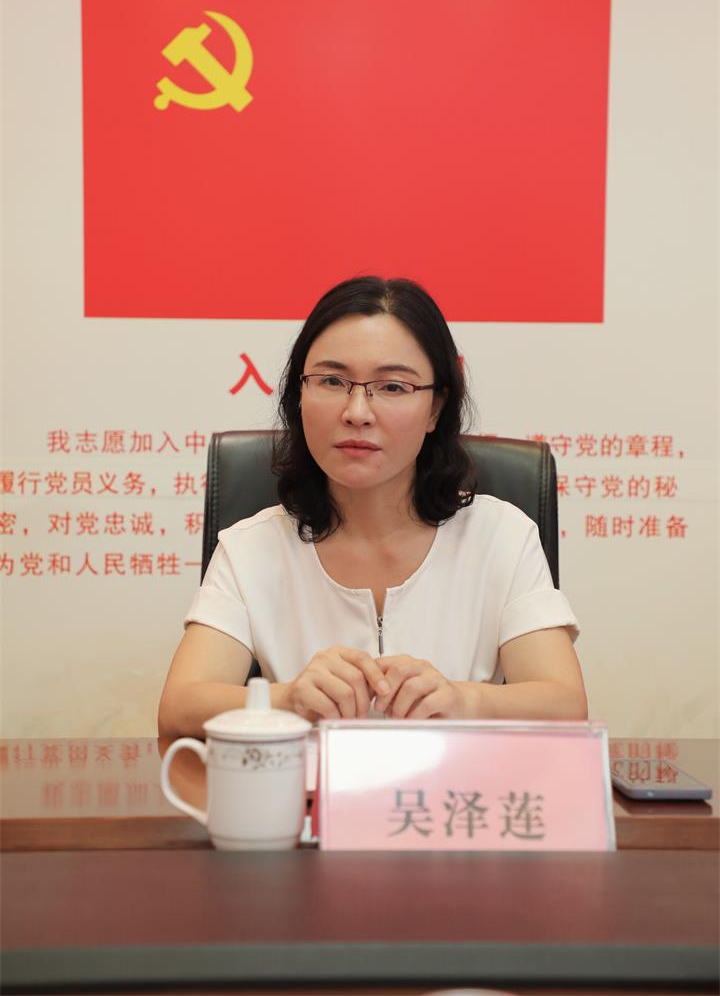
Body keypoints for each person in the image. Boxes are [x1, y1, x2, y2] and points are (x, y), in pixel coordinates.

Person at [158, 276, 587, 737]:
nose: (357, 412)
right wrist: (289, 699)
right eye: (332, 381)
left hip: (457, 782)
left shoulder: (501, 536)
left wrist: (463, 700)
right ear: (298, 396)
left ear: (436, 408)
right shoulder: (252, 547)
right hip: (305, 785)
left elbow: (566, 704)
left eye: (393, 387)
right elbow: (179, 707)